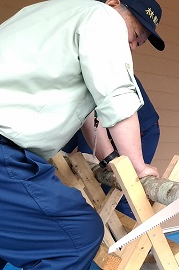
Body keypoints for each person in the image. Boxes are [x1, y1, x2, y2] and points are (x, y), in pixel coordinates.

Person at [0, 0, 164, 269]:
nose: (132, 46)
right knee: (78, 236)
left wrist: (111, 159)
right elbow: (117, 99)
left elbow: (89, 113)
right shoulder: (105, 18)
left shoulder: (51, 14)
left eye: (139, 43)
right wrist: (137, 167)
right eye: (135, 34)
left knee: (0, 244)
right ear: (114, 3)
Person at [63, 75, 160, 219]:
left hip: (140, 130)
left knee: (122, 190)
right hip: (98, 121)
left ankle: (127, 239)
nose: (133, 50)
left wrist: (136, 167)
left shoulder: (111, 67)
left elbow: (103, 113)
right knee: (93, 180)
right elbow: (85, 117)